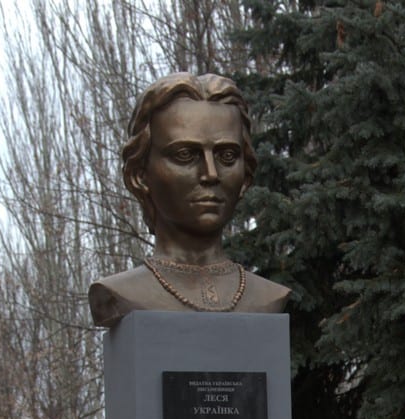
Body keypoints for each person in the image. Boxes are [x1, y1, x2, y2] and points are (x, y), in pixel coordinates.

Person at [89, 72, 290, 328]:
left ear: (246, 178)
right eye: (185, 155)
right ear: (140, 175)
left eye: (227, 156)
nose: (211, 174)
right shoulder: (118, 294)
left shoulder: (268, 298)